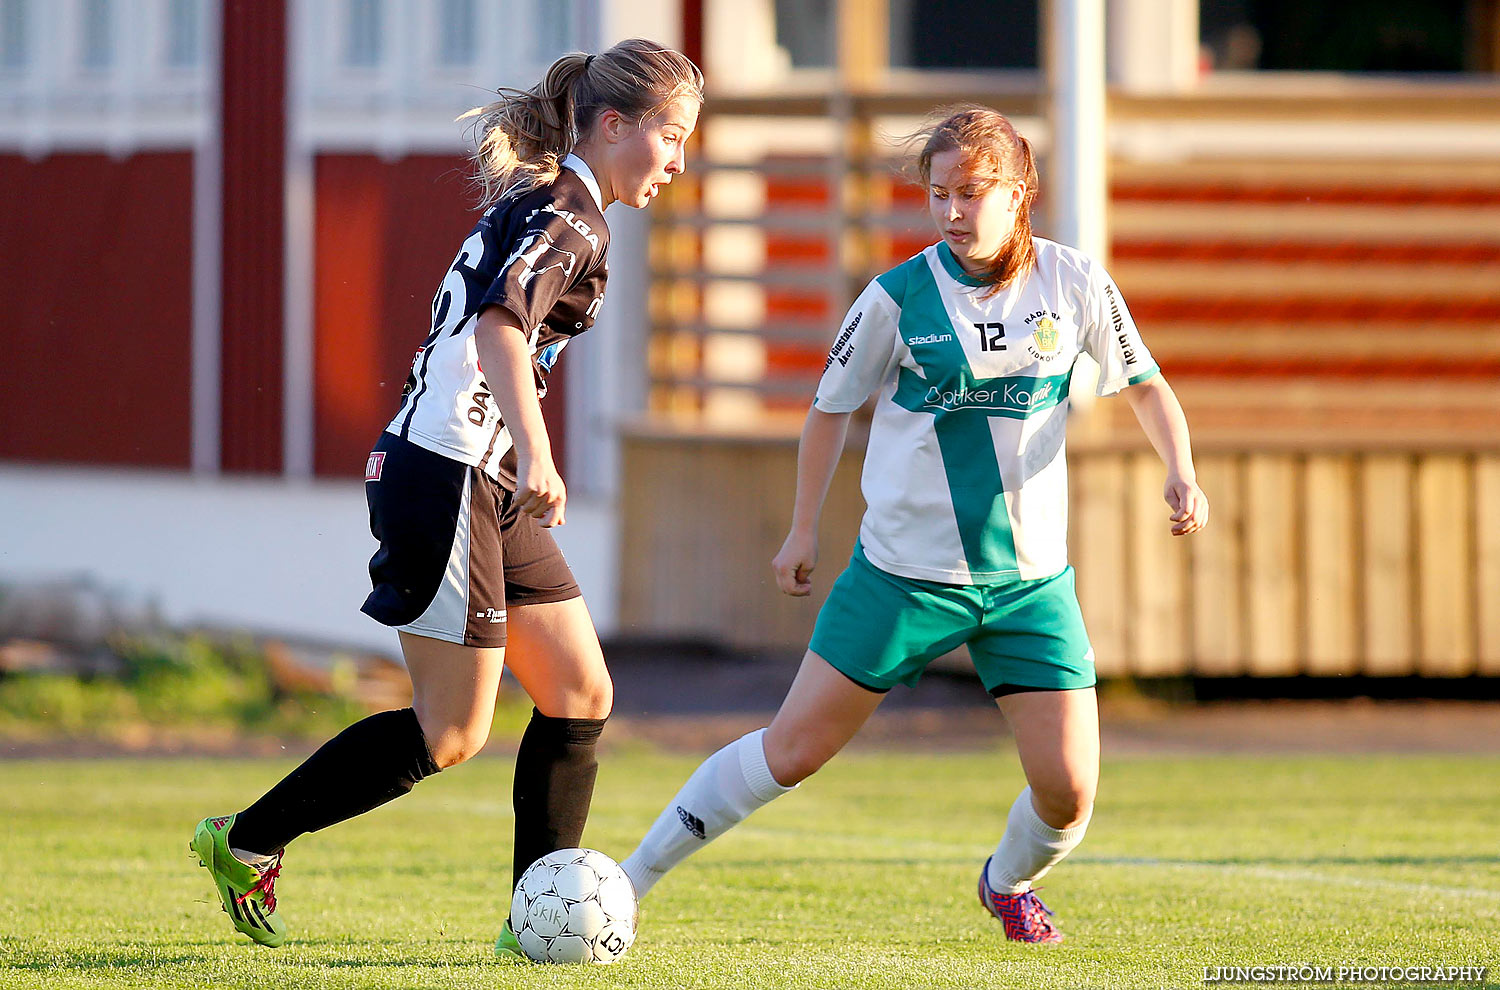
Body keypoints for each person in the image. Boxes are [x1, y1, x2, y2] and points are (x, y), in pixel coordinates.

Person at [617, 106, 1208, 943]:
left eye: (972, 193)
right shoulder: (896, 297)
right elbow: (828, 411)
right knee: (790, 753)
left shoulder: (1075, 284)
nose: (954, 213)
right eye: (940, 196)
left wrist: (1180, 471)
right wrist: (800, 531)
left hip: (1028, 588)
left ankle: (1007, 882)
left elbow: (1145, 384)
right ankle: (628, 883)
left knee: (1070, 792)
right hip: (901, 580)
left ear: (1020, 191)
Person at [190, 39, 703, 954]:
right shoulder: (573, 219)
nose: (676, 160)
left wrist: (521, 459)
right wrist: (540, 451)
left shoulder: (554, 203)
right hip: (450, 472)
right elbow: (504, 329)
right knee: (454, 729)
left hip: (479, 477)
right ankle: (247, 841)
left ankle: (530, 927)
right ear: (616, 124)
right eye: (671, 136)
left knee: (580, 692)